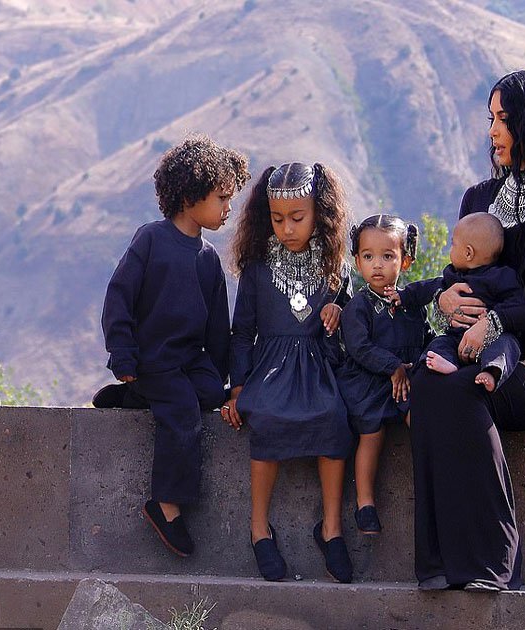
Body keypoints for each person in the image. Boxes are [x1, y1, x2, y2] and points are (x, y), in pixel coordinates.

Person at [408, 69, 525, 592]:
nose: (492, 130)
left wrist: (498, 320)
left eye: (504, 119)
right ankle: (440, 564)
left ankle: (494, 563)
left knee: (468, 389)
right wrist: (445, 298)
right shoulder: (477, 197)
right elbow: (458, 274)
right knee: (427, 385)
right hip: (472, 349)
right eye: (490, 118)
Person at [91, 133, 250, 558]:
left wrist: (219, 376)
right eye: (221, 198)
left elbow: (219, 325)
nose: (227, 209)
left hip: (188, 363)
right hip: (152, 359)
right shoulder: (151, 240)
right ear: (190, 194)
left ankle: (132, 397)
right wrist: (123, 353)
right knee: (182, 415)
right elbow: (119, 297)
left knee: (205, 397)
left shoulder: (208, 259)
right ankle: (166, 506)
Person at [219, 162, 354, 583]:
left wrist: (340, 311)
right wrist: (237, 387)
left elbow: (355, 322)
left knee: (334, 418)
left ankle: (331, 528)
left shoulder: (336, 270)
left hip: (319, 369)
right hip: (270, 371)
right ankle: (260, 528)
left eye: (298, 218)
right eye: (278, 219)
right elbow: (242, 333)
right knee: (268, 418)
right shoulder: (257, 270)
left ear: (320, 213)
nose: (287, 228)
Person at [335, 215, 431, 537]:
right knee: (371, 434)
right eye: (368, 256)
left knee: (422, 421)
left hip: (406, 381)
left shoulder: (413, 305)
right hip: (370, 382)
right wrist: (392, 367)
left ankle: (432, 489)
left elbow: (427, 338)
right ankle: (365, 504)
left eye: (387, 256)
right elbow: (360, 348)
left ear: (405, 260)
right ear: (358, 260)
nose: (377, 265)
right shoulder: (357, 307)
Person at [394, 213, 525, 392]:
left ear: (468, 253)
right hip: (457, 337)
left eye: (453, 244)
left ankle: (492, 371)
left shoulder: (501, 277)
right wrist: (404, 296)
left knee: (508, 344)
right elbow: (429, 287)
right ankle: (447, 362)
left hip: (492, 337)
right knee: (439, 343)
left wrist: (492, 318)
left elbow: (517, 301)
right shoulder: (454, 276)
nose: (451, 249)